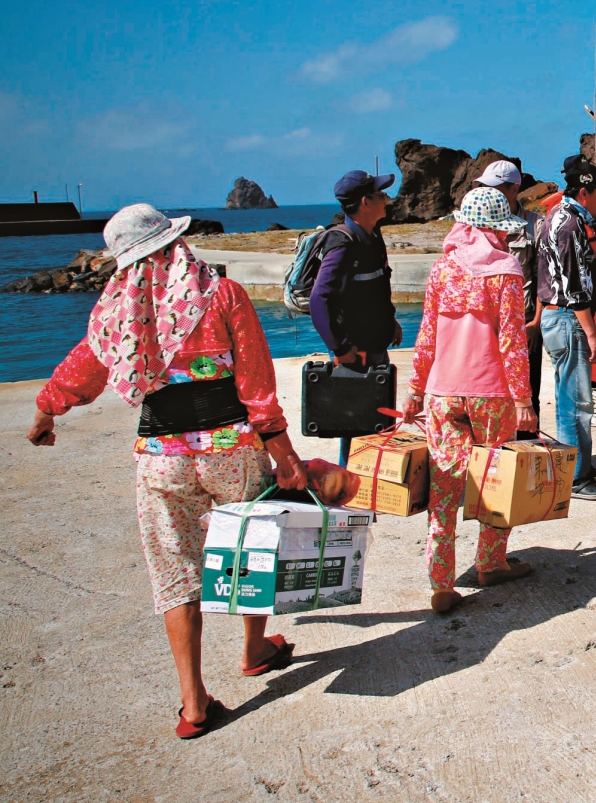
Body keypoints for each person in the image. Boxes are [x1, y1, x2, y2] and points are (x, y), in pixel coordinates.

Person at [27, 204, 309, 738]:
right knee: (252, 548)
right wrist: (282, 451)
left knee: (175, 574)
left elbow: (86, 364)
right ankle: (254, 649)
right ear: (176, 242)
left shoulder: (117, 311)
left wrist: (47, 407)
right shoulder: (221, 294)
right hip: (232, 449)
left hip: (161, 459)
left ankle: (193, 702)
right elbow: (254, 381)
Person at [403, 188, 537, 613]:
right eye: (503, 228)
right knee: (496, 481)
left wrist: (413, 390)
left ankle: (441, 581)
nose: (507, 237)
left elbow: (426, 335)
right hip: (492, 395)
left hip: (443, 393)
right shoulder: (506, 271)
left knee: (444, 487)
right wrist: (523, 399)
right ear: (494, 229)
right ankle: (490, 562)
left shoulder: (443, 268)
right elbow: (512, 341)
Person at [538, 155, 596, 500]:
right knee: (577, 401)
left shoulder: (554, 217)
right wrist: (592, 333)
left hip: (558, 317)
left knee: (567, 397)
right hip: (570, 319)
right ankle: (576, 478)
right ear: (586, 191)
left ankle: (579, 463)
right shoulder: (570, 225)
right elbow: (573, 285)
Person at [309, 169, 403, 464]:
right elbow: (319, 298)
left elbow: (374, 289)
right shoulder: (343, 242)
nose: (387, 199)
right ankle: (348, 489)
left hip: (375, 347)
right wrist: (340, 347)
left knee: (375, 427)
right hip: (356, 353)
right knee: (353, 424)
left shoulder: (373, 236)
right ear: (365, 202)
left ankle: (366, 486)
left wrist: (391, 321)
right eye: (381, 194)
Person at [476, 159, 547, 440]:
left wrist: (537, 322)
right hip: (487, 325)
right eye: (484, 187)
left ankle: (527, 459)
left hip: (524, 322)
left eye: (495, 188)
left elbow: (544, 278)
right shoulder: (480, 224)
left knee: (527, 395)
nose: (489, 193)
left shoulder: (536, 226)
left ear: (514, 188)